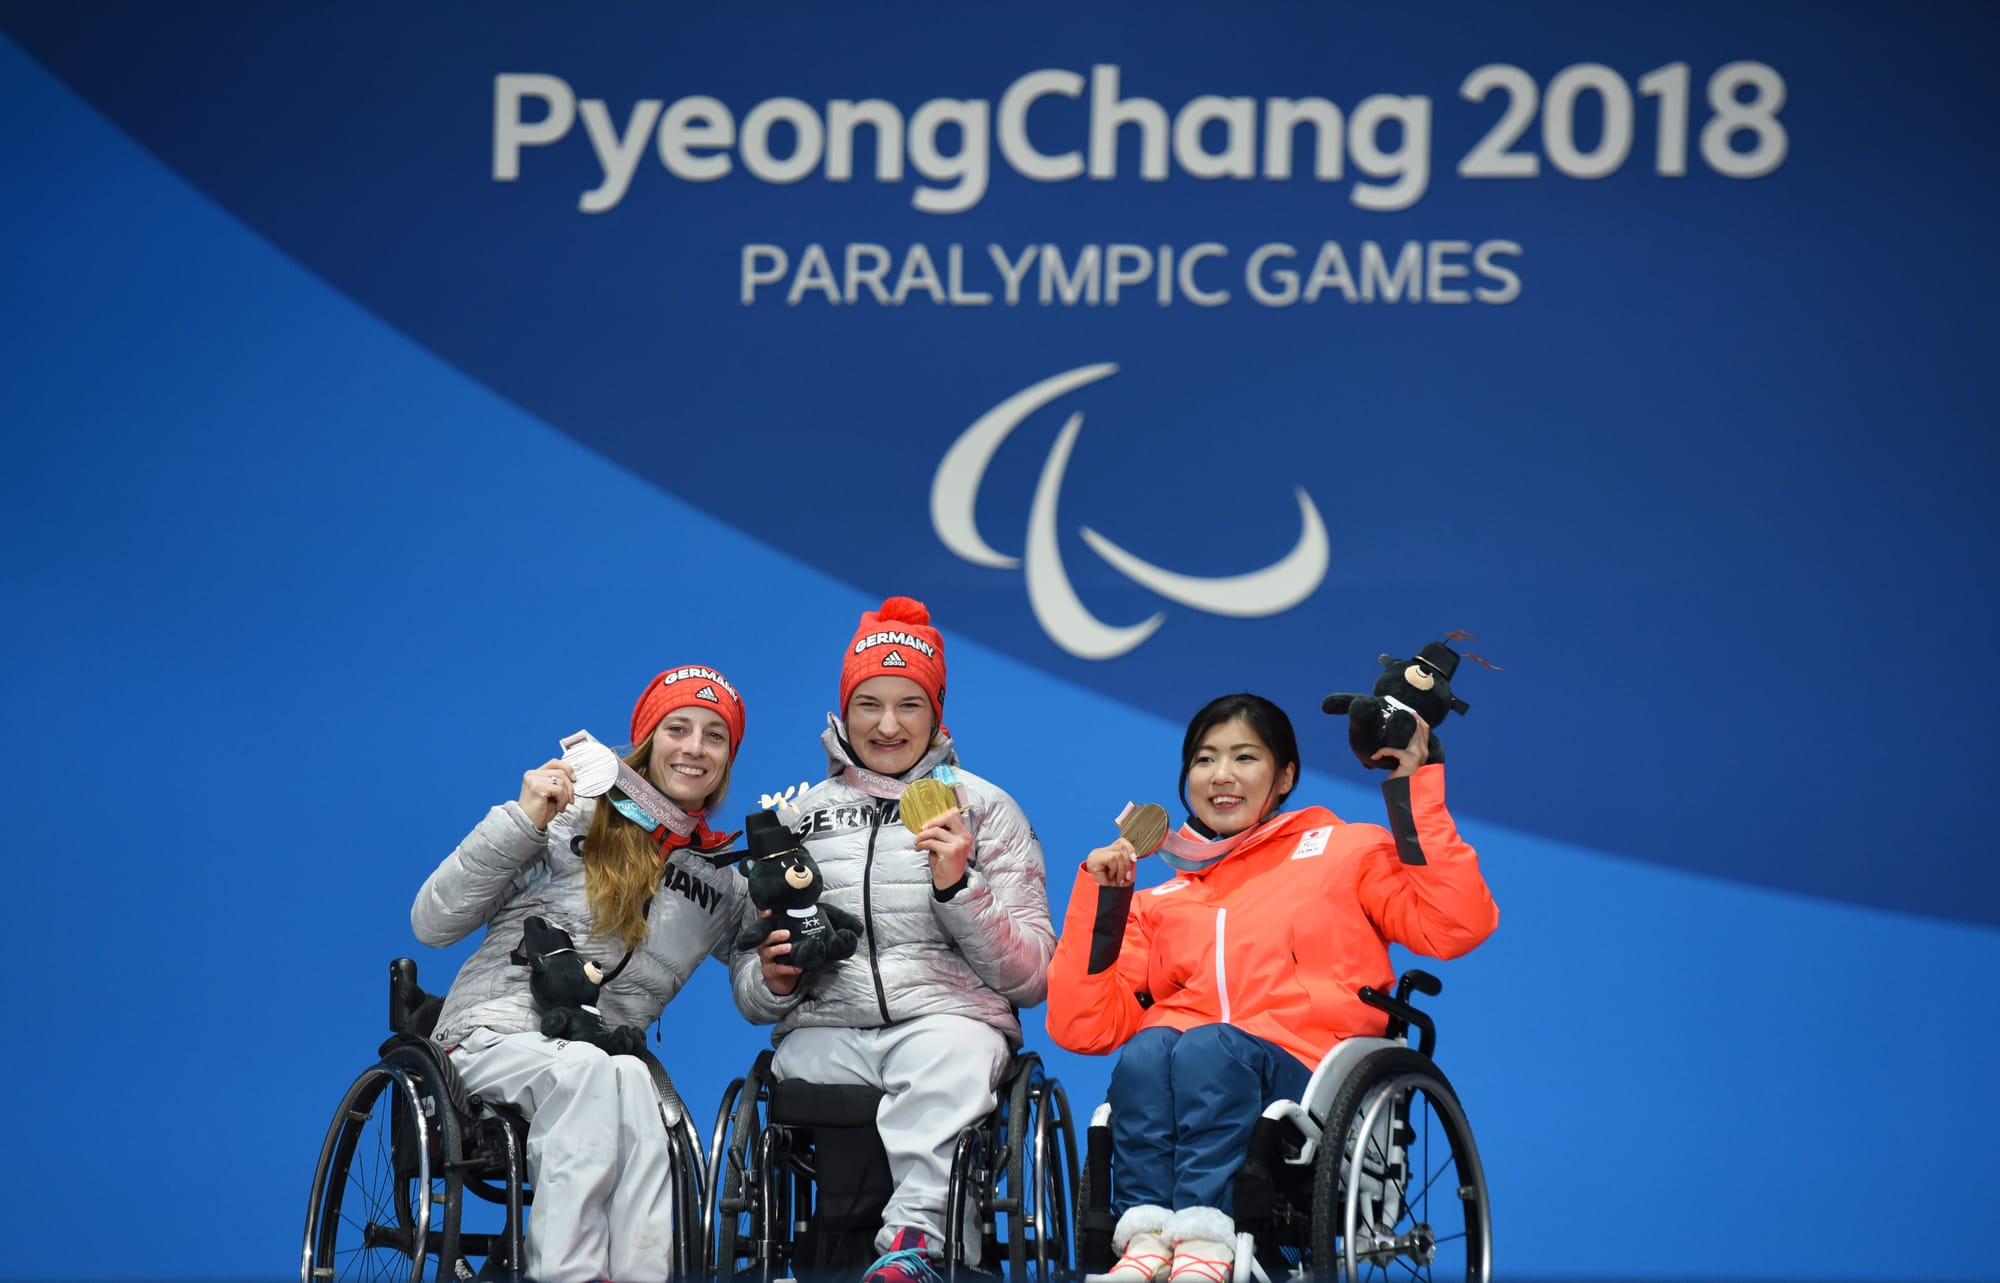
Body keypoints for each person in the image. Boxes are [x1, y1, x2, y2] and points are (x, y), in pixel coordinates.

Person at [1044, 693, 1498, 1283]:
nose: (1221, 775)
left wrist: (1414, 788)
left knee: (1207, 1048)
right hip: (1195, 1075)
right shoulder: (1160, 902)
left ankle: (1207, 1241)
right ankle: (1148, 1240)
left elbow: (1455, 924)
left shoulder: (1345, 851)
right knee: (1146, 1052)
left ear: (1284, 776)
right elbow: (1082, 1027)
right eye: (1204, 759)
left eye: (1244, 757)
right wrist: (1104, 898)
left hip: (1309, 1085)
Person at [733, 596, 1055, 1283]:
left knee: (946, 1057)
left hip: (947, 1020)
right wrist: (772, 980)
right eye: (868, 704)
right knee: (796, 1066)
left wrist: (958, 886)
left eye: (909, 704)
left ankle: (916, 1243)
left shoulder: (986, 808)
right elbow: (750, 979)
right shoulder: (797, 819)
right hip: (828, 1028)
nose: (887, 725)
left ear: (936, 713)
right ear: (842, 711)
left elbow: (1033, 977)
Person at [412, 665, 752, 1283]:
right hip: (492, 1036)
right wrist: (522, 820)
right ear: (648, 738)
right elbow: (432, 922)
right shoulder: (570, 813)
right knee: (593, 1072)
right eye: (678, 728)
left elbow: (760, 983)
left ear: (728, 758)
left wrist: (783, 964)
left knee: (636, 1083)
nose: (695, 748)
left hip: (603, 1054)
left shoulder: (722, 878)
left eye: (714, 736)